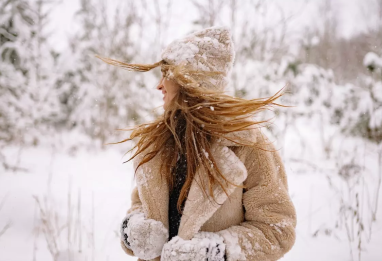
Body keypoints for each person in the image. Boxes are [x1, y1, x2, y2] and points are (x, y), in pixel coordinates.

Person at [96, 26, 296, 261]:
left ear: (192, 82)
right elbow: (140, 205)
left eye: (167, 75)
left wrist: (214, 252)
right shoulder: (158, 144)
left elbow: (277, 230)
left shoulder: (249, 146)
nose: (159, 85)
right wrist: (134, 231)